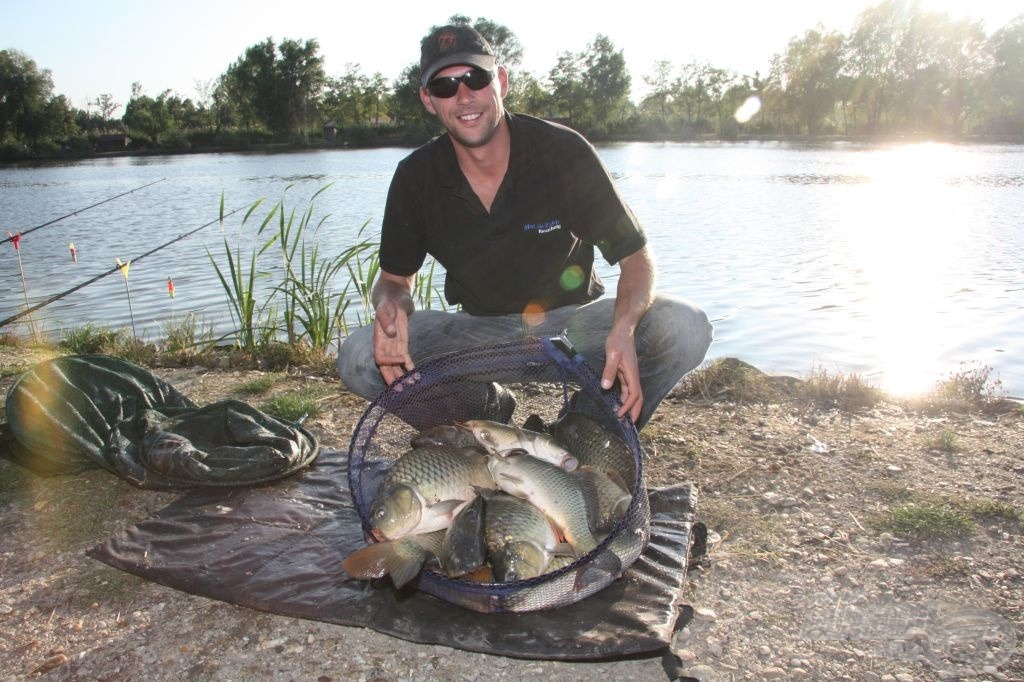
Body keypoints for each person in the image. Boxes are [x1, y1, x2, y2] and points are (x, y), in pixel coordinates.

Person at [337, 24, 712, 429]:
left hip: (573, 328)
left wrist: (623, 328)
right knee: (359, 358)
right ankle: (484, 419)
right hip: (476, 335)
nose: (463, 96)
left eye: (475, 79)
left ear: (500, 81)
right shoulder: (415, 176)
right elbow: (394, 279)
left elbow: (636, 258)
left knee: (683, 326)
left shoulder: (562, 152)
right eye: (445, 87)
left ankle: (582, 430)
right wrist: (389, 306)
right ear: (429, 100)